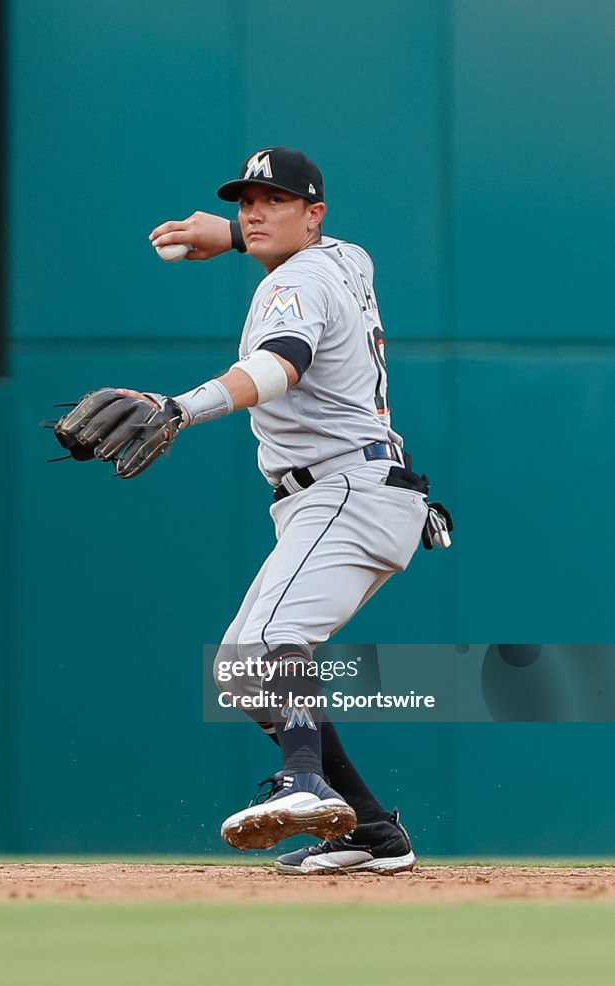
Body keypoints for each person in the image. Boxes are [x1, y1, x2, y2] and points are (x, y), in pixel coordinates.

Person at [113, 148, 451, 874]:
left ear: (313, 212)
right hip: (355, 492)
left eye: (274, 200)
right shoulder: (345, 260)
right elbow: (310, 248)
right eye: (247, 202)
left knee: (270, 642)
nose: (255, 211)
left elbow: (279, 366)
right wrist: (230, 236)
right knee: (240, 669)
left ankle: (303, 784)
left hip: (344, 492)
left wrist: (178, 408)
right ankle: (370, 833)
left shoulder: (293, 285)